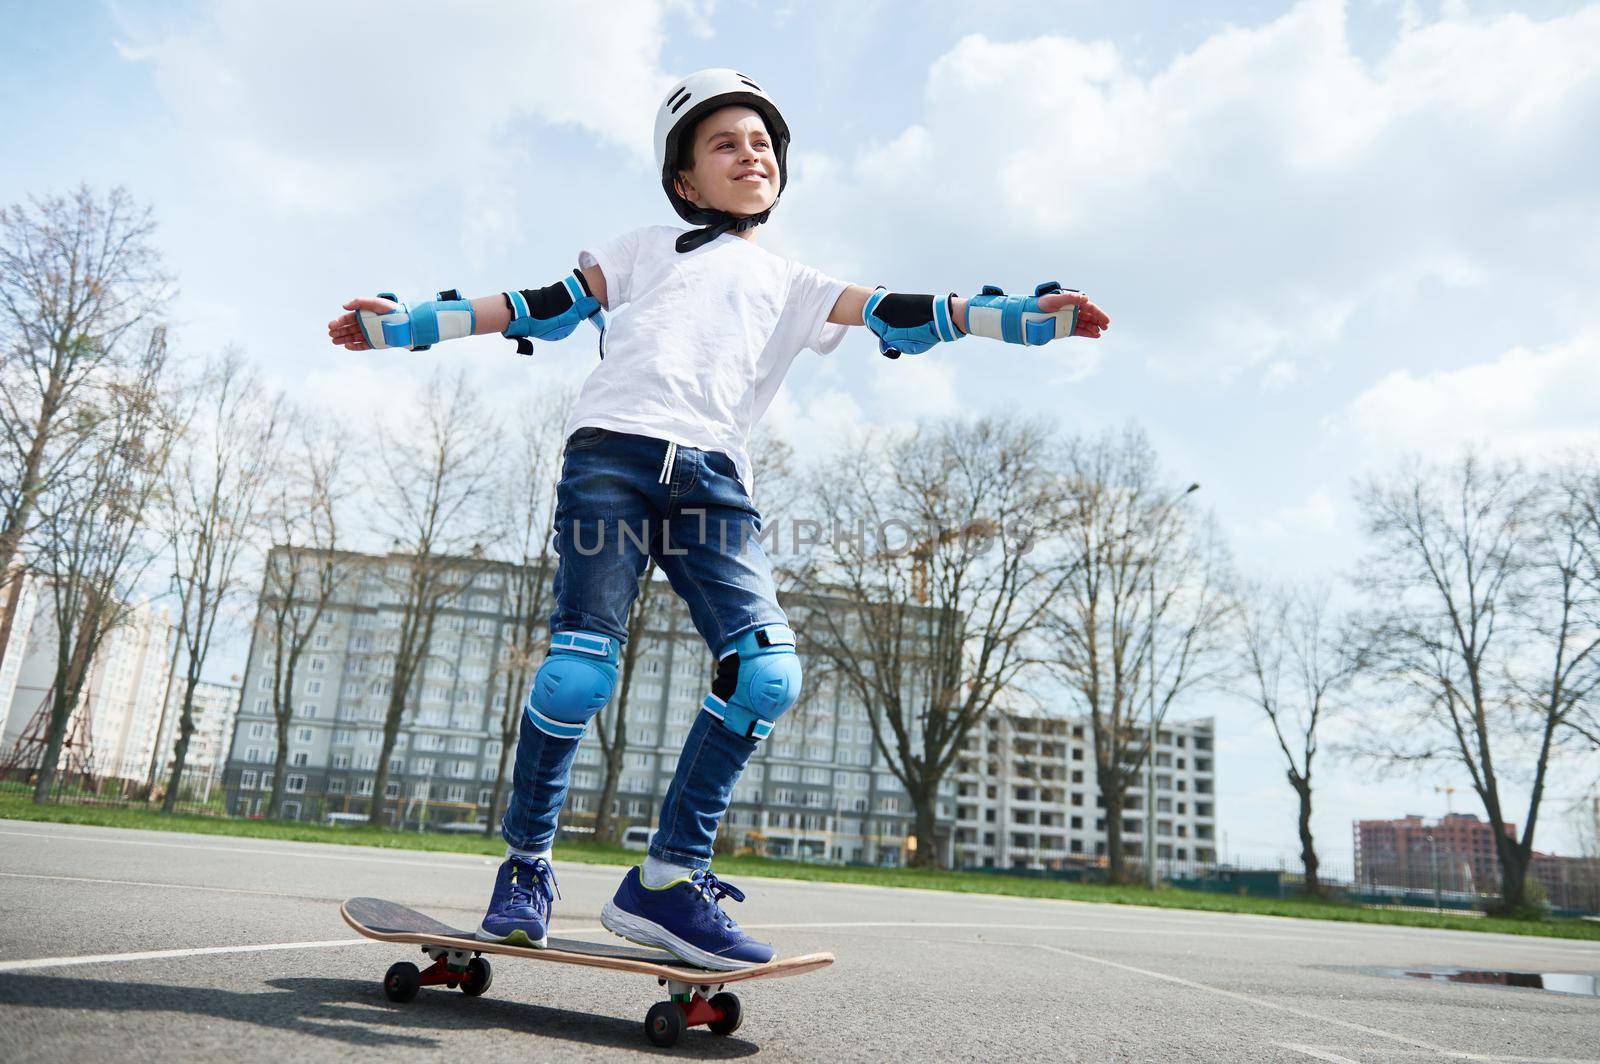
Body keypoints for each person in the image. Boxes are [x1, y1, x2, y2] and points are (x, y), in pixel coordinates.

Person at [327, 68, 1109, 971]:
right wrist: (412, 324)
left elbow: (904, 311)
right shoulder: (644, 248)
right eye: (726, 143)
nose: (752, 154)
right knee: (578, 676)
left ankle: (666, 882)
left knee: (768, 672)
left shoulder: (793, 281)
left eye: (763, 143)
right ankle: (526, 870)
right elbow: (540, 304)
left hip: (715, 485)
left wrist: (1019, 320)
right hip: (610, 462)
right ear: (686, 181)